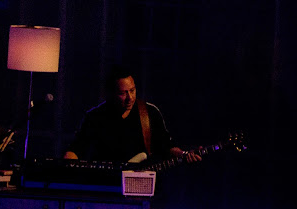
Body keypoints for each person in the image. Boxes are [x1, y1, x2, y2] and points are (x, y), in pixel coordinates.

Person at [64, 64, 201, 166]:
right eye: (123, 93)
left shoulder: (149, 113)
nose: (130, 97)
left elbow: (166, 145)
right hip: (107, 184)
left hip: (142, 183)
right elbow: (76, 149)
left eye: (132, 90)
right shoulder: (95, 118)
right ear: (110, 93)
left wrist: (184, 154)